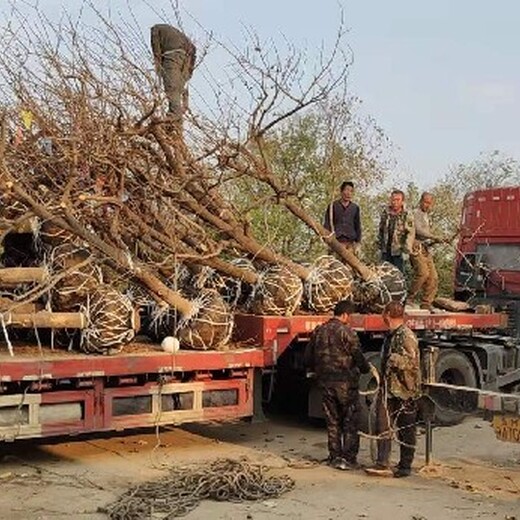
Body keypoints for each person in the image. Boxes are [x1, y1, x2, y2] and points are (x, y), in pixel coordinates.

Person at [304, 300, 371, 470]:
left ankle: (334, 456)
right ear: (346, 315)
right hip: (346, 385)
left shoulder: (319, 331)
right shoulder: (348, 332)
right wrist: (366, 369)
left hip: (326, 384)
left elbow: (307, 358)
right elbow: (359, 358)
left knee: (332, 421)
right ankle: (348, 459)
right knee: (350, 421)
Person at [366, 301, 421, 478]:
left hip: (405, 391)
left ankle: (405, 466)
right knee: (383, 424)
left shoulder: (406, 336)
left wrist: (393, 360)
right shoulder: (391, 335)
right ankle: (382, 463)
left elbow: (412, 363)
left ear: (388, 314)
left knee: (406, 428)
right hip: (389, 388)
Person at [407, 192, 447, 310]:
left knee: (433, 277)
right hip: (415, 248)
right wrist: (434, 237)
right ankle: (409, 298)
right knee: (423, 273)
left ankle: (426, 302)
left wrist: (437, 241)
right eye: (425, 202)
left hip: (425, 249)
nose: (427, 205)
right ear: (420, 201)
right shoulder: (414, 213)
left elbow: (426, 238)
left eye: (429, 203)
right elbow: (418, 231)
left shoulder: (427, 217)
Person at [150, 24, 196, 124]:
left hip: (172, 56)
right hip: (186, 58)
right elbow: (193, 48)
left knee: (171, 87)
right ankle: (177, 119)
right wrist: (189, 72)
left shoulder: (155, 29)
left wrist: (158, 65)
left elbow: (156, 47)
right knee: (178, 88)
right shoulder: (181, 36)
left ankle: (174, 115)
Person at [378, 189, 415, 273]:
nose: (395, 202)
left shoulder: (407, 214)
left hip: (399, 251)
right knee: (383, 274)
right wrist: (379, 245)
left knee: (399, 275)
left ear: (402, 202)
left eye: (397, 200)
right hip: (385, 250)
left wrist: (407, 249)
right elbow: (381, 229)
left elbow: (410, 233)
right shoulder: (385, 213)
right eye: (393, 199)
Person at [323, 181, 362, 254]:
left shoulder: (355, 208)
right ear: (341, 191)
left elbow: (357, 226)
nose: (348, 193)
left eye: (351, 191)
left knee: (349, 264)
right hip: (336, 241)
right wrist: (327, 239)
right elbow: (327, 223)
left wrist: (358, 243)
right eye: (346, 190)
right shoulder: (333, 206)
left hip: (350, 243)